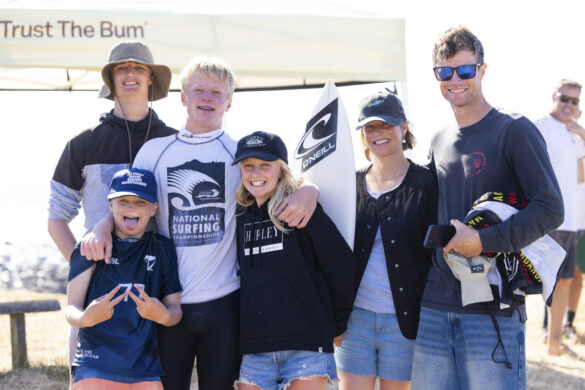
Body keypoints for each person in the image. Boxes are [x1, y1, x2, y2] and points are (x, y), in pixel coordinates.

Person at [81, 56, 319, 390]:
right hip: (167, 302)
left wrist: (311, 189)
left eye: (216, 92)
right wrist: (103, 225)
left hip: (225, 302)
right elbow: (129, 202)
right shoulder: (155, 151)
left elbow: (283, 180)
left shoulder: (238, 154)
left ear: (229, 102)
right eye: (199, 90)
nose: (207, 97)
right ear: (183, 96)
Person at [410, 26, 563, 390]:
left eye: (464, 70)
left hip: (492, 311)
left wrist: (482, 241)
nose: (455, 80)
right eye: (444, 72)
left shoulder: (514, 130)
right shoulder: (438, 138)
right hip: (433, 308)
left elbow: (550, 207)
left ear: (482, 69)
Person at [48, 41, 177, 378]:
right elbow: (56, 219)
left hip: (154, 303)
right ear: (110, 79)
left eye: (139, 67)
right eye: (121, 68)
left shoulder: (174, 143)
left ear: (151, 79)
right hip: (98, 304)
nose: (130, 73)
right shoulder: (83, 143)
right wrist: (87, 270)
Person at [232, 131, 354, 390]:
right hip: (256, 351)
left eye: (265, 165)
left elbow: (341, 266)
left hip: (306, 348)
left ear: (281, 168)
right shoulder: (240, 215)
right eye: (248, 166)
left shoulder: (301, 209)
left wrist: (337, 324)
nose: (256, 173)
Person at [334, 91, 436, 390]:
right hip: (356, 323)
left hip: (404, 323)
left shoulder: (426, 183)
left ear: (403, 128)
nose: (377, 133)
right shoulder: (349, 184)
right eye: (369, 128)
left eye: (386, 125)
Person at [66, 168, 182, 389]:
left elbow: (175, 311)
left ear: (154, 208)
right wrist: (86, 319)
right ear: (111, 205)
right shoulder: (89, 246)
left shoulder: (163, 248)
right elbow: (71, 307)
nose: (130, 207)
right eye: (123, 200)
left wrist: (163, 316)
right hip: (94, 364)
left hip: (144, 369)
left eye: (140, 202)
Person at [534, 79, 583, 354]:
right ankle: (548, 338)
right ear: (554, 96)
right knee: (548, 281)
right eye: (565, 98)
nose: (569, 105)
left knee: (565, 280)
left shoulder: (574, 133)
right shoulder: (542, 126)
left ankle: (555, 342)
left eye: (575, 101)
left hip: (574, 219)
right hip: (553, 218)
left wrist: (582, 132)